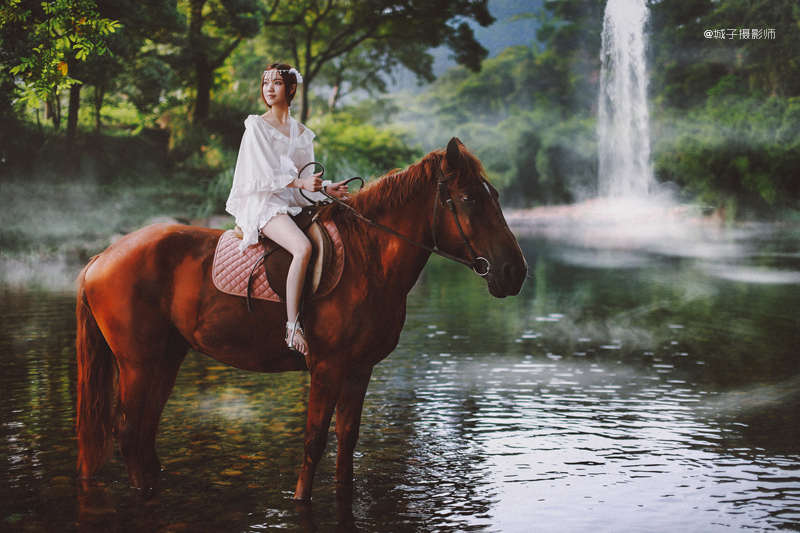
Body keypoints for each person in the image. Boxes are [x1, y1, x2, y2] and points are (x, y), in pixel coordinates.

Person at [226, 63, 349, 356]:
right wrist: (302, 182)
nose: (269, 88)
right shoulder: (256, 126)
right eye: (266, 82)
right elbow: (262, 175)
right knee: (302, 247)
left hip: (291, 201)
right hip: (264, 201)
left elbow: (305, 175)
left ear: (291, 88)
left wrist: (324, 188)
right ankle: (292, 326)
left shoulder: (302, 133)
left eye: (277, 83)